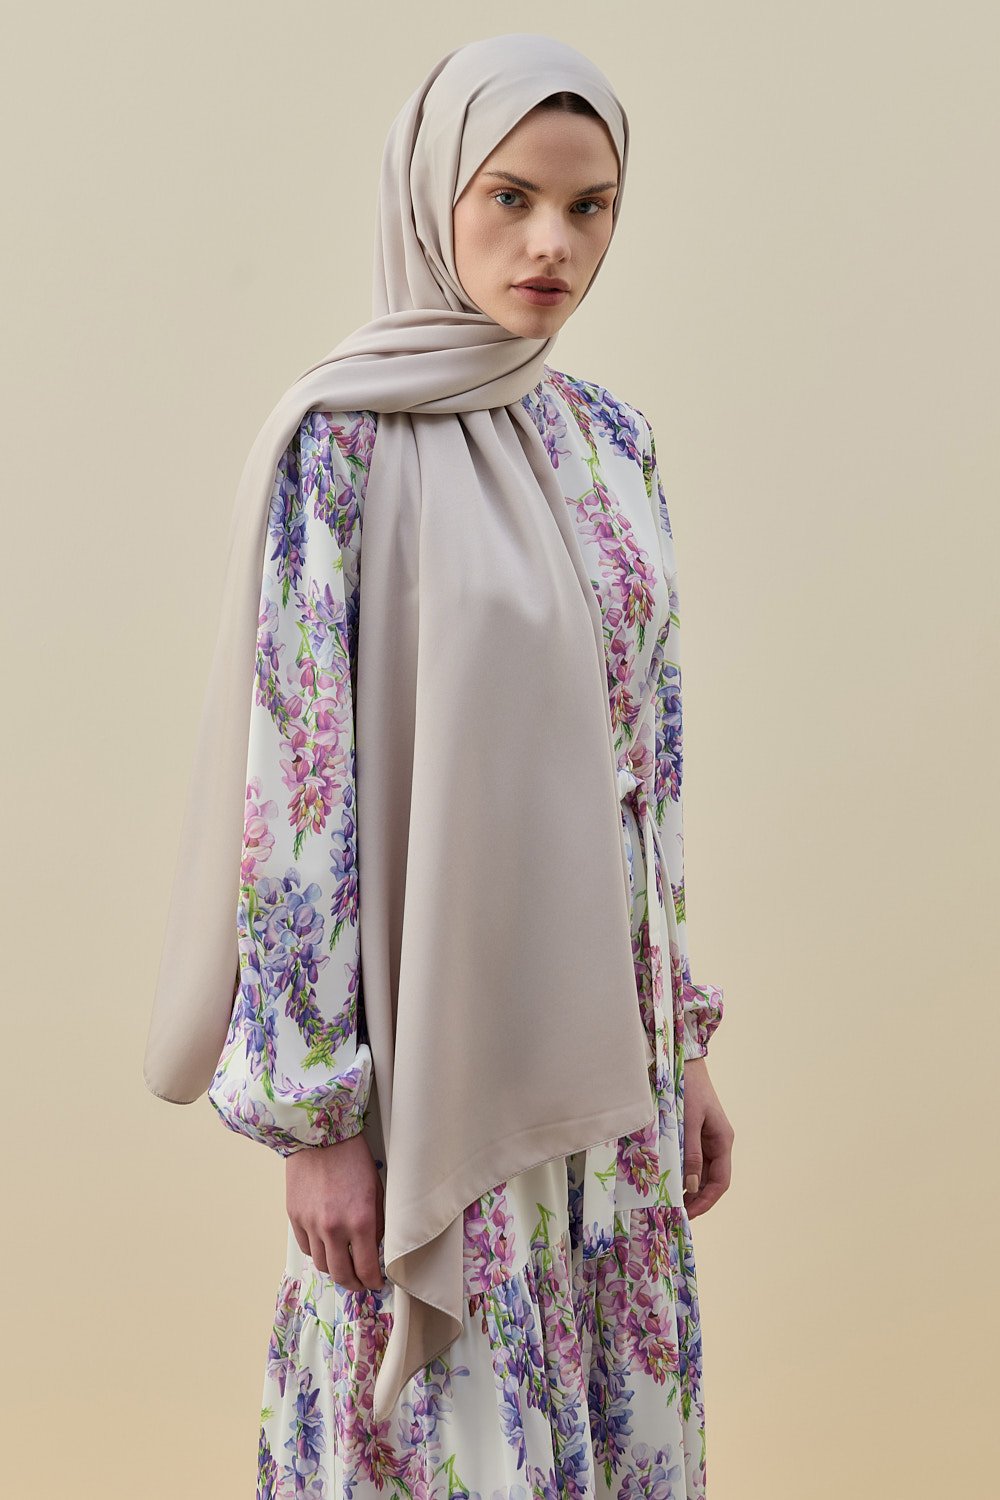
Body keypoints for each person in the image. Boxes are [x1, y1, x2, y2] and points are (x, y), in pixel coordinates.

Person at [144, 31, 734, 1499]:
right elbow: (300, 804)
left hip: (614, 1076)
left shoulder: (613, 445)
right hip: (432, 1076)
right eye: (510, 197)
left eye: (589, 207)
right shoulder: (340, 449)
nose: (552, 244)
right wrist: (317, 1125)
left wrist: (687, 1046)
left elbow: (646, 766)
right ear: (432, 198)